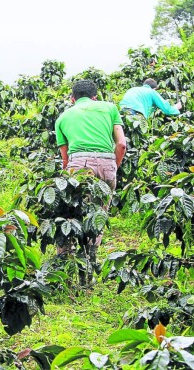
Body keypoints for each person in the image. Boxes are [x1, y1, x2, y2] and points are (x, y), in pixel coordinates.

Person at [55, 80, 127, 257]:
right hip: (107, 162)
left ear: (72, 99)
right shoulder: (110, 108)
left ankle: (66, 257)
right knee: (98, 214)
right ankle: (90, 257)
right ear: (95, 98)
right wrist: (112, 167)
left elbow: (65, 160)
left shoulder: (62, 118)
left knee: (71, 213)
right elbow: (122, 144)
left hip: (77, 164)